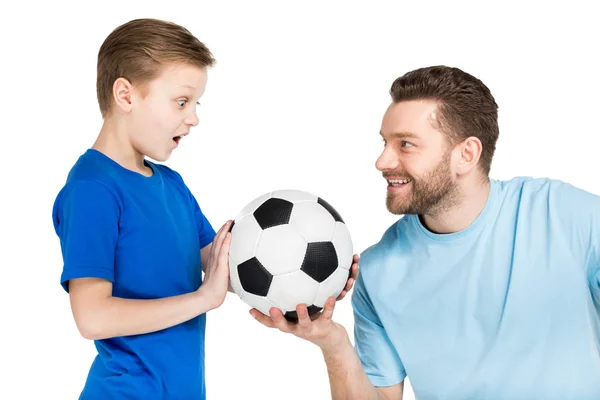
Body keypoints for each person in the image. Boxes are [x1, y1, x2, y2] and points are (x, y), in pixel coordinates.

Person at [51, 18, 359, 399]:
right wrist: (201, 299)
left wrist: (313, 282)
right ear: (126, 96)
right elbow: (92, 317)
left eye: (196, 103)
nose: (193, 117)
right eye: (181, 101)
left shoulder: (171, 185)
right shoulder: (92, 189)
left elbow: (229, 268)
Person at [251, 65, 600, 399]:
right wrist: (332, 343)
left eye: (405, 144)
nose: (382, 161)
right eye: (385, 142)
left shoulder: (564, 215)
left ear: (466, 154)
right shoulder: (378, 270)